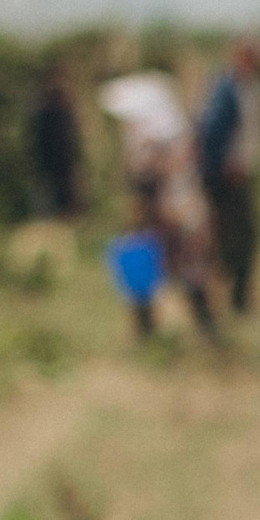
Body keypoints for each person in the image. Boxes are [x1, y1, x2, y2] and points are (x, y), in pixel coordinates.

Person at [96, 72, 220, 345]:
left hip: (169, 216)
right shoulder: (178, 137)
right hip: (183, 215)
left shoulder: (153, 143)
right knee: (183, 273)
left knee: (170, 273)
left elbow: (146, 182)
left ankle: (155, 333)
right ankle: (200, 329)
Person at [196, 39, 260, 313]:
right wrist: (226, 167)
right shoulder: (226, 88)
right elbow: (210, 132)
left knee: (241, 239)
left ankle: (237, 299)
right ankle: (230, 301)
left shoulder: (250, 87)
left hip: (243, 174)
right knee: (237, 238)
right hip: (229, 180)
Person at [29, 71, 83, 221]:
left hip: (59, 157)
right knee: (55, 188)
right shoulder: (50, 111)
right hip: (55, 157)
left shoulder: (58, 110)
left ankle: (63, 215)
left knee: (61, 188)